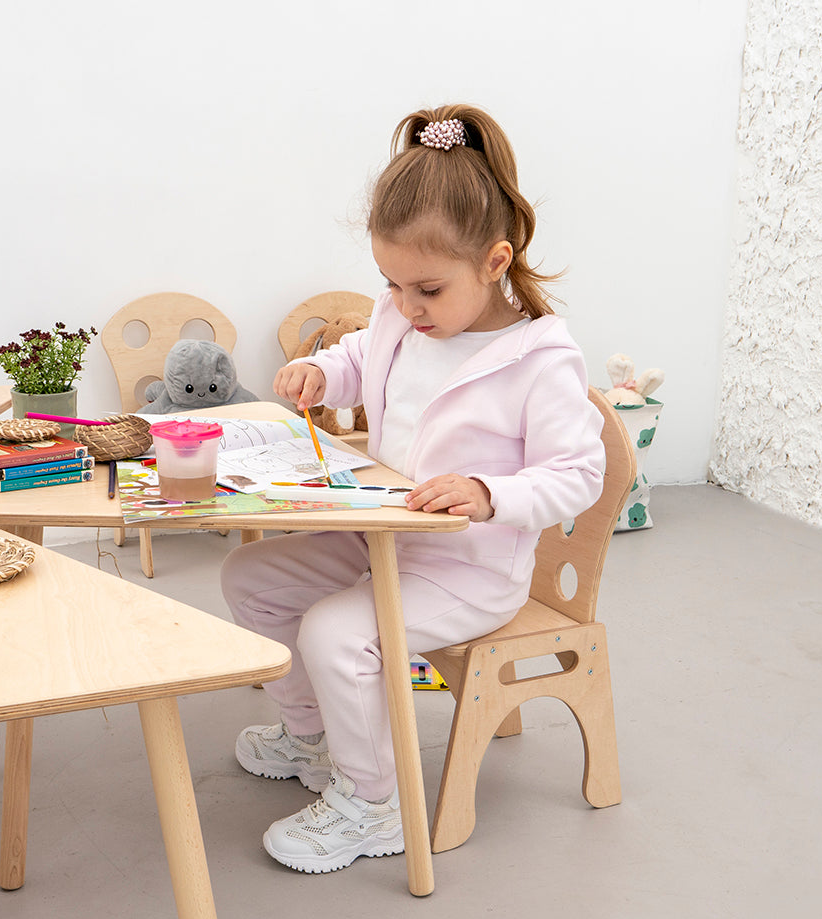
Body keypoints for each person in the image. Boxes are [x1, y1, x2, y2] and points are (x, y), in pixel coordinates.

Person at [221, 104, 606, 874]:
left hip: (468, 571)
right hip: (379, 531)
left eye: (426, 289)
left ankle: (375, 804)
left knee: (337, 631)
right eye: (392, 285)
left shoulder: (541, 358)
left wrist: (490, 494)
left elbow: (579, 474)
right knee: (250, 579)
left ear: (496, 261)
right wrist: (325, 371)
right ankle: (313, 738)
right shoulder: (400, 319)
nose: (406, 307)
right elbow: (366, 355)